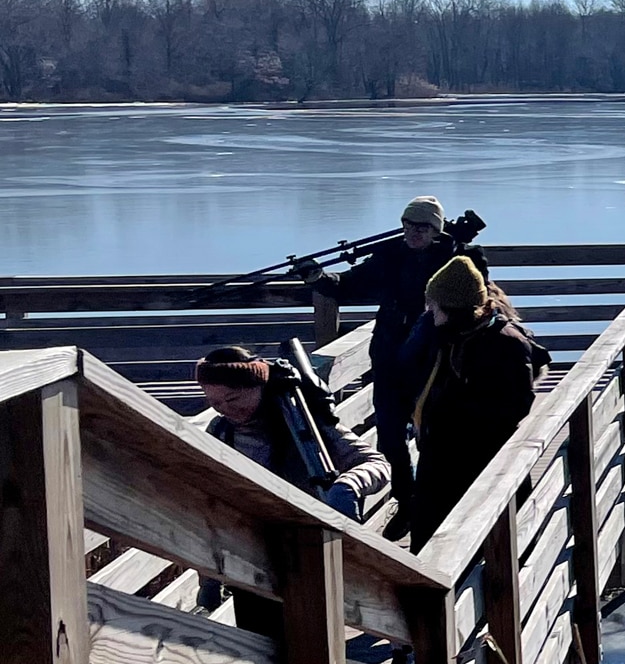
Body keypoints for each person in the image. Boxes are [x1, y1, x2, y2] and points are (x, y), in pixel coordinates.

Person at [297, 196, 487, 513]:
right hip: (389, 353)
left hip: (436, 355)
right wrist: (319, 278)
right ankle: (405, 499)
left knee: (436, 430)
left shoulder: (458, 256)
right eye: (408, 225)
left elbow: (478, 294)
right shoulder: (390, 254)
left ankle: (434, 500)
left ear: (435, 229)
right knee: (389, 432)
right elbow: (349, 285)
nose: (413, 233)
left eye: (422, 227)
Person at [401, 255, 547, 546]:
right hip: (441, 457)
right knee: (428, 540)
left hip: (481, 461)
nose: (429, 311)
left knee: (493, 545)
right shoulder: (450, 336)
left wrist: (451, 413)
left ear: (453, 308)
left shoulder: (504, 343)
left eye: (434, 305)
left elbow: (515, 406)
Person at [196, 347, 391, 519]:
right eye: (215, 403)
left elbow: (378, 464)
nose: (225, 409)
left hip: (314, 529)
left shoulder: (301, 422)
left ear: (259, 387)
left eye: (233, 399)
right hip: (248, 533)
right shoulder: (220, 432)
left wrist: (348, 486)